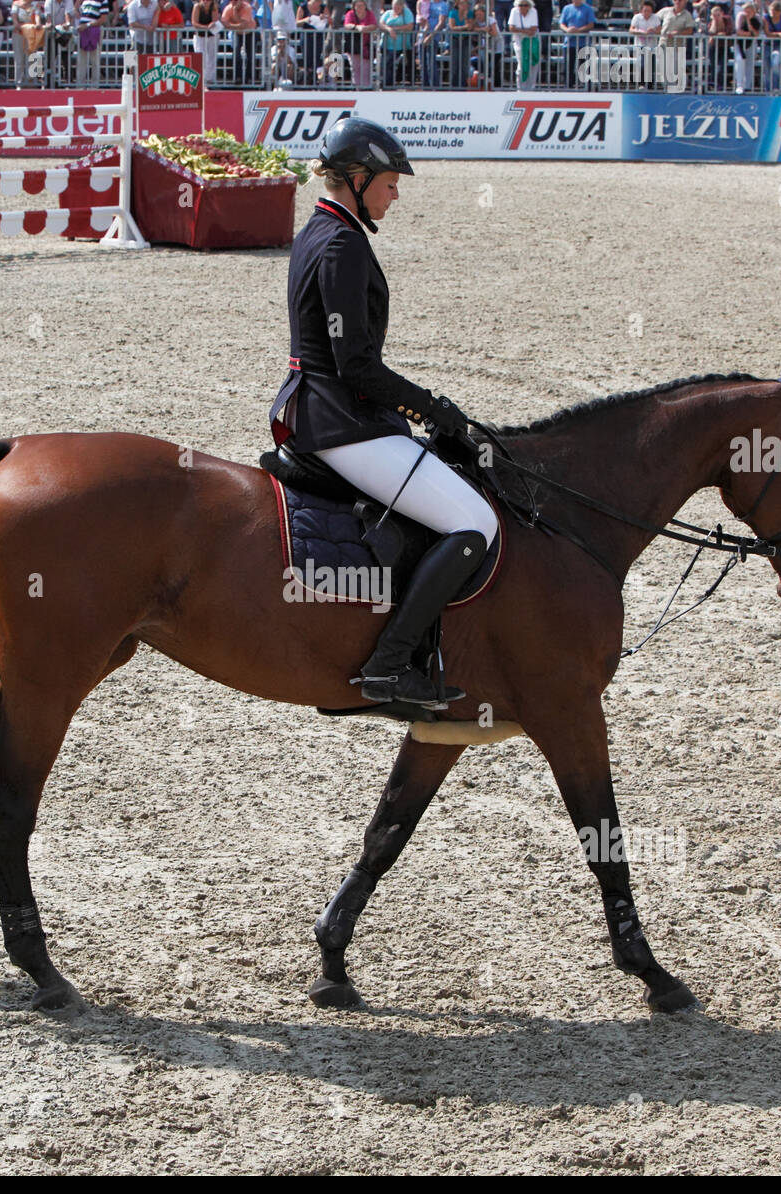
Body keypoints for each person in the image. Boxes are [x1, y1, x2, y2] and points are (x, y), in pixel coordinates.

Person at [268, 119, 498, 708]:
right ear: (357, 177)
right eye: (390, 183)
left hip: (322, 409)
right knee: (475, 523)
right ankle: (391, 666)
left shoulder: (321, 230)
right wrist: (435, 410)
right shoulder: (343, 244)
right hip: (341, 421)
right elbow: (358, 367)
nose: (395, 195)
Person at [558, 0, 594, 88]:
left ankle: (587, 88)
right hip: (569, 43)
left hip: (584, 44)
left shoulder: (588, 9)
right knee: (568, 68)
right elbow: (561, 23)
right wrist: (567, 30)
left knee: (585, 67)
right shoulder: (566, 8)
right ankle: (568, 87)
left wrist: (578, 31)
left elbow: (591, 24)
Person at [379, 0, 414, 85]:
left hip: (399, 45)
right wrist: (389, 29)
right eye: (395, 5)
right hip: (385, 44)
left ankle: (388, 84)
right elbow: (381, 24)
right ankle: (385, 84)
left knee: (388, 64)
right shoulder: (388, 13)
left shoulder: (406, 13)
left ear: (402, 6)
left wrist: (395, 29)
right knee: (384, 65)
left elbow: (410, 26)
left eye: (399, 5)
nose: (396, 7)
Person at [221, 0, 256, 84]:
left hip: (249, 32)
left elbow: (243, 24)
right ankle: (238, 77)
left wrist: (235, 12)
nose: (234, 2)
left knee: (250, 55)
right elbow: (224, 23)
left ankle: (250, 78)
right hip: (237, 33)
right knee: (236, 54)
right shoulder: (228, 8)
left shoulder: (247, 7)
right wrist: (236, 26)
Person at [343, 0, 375, 87]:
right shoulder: (350, 14)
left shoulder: (369, 14)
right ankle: (357, 87)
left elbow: (374, 25)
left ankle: (366, 87)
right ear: (354, 6)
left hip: (366, 45)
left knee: (366, 68)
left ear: (365, 6)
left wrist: (365, 28)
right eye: (358, 6)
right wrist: (356, 27)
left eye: (362, 5)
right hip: (354, 45)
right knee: (355, 67)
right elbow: (347, 25)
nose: (360, 8)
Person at [417, 0, 449, 86]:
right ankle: (425, 86)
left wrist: (430, 37)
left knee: (430, 63)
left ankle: (435, 87)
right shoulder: (428, 2)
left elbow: (441, 23)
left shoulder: (443, 5)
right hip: (422, 35)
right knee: (422, 64)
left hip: (433, 37)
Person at [295, 0, 327, 83]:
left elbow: (329, 21)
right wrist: (305, 20)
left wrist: (325, 17)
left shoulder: (323, 7)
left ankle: (314, 80)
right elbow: (297, 22)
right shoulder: (303, 7)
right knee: (307, 59)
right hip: (306, 36)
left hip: (318, 36)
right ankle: (307, 81)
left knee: (316, 58)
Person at [629, 0, 660, 87]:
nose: (647, 13)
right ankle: (641, 84)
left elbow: (659, 30)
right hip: (640, 45)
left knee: (651, 66)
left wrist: (653, 30)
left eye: (649, 11)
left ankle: (650, 86)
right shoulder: (637, 17)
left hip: (652, 46)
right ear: (641, 10)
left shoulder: (655, 18)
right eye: (645, 10)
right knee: (642, 65)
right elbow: (631, 29)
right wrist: (640, 32)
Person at [509, 0, 539, 89]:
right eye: (520, 5)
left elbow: (533, 30)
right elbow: (511, 28)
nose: (522, 7)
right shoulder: (514, 11)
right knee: (522, 64)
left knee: (534, 63)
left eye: (525, 5)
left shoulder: (534, 11)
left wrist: (520, 30)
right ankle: (520, 88)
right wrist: (526, 31)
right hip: (519, 41)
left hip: (532, 40)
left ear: (529, 6)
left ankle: (531, 87)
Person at [732, 0, 758, 91]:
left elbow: (755, 33)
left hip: (751, 43)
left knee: (750, 63)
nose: (747, 13)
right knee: (739, 61)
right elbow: (738, 31)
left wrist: (748, 22)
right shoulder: (740, 17)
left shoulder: (756, 19)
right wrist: (749, 33)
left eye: (749, 11)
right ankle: (739, 85)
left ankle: (748, 86)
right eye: (746, 10)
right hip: (739, 43)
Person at [77, 0, 104, 83]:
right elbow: (75, 8)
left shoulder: (103, 1)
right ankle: (80, 85)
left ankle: (95, 86)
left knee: (95, 60)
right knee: (81, 60)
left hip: (95, 31)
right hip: (82, 32)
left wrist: (87, 25)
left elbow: (103, 19)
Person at [706, 0, 729, 90]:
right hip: (713, 46)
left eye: (718, 14)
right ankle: (713, 85)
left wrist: (716, 35)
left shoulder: (728, 20)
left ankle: (721, 85)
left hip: (724, 46)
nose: (717, 16)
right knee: (713, 66)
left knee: (721, 67)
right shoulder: (711, 23)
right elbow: (711, 32)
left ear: (722, 13)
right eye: (714, 15)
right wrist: (715, 21)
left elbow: (728, 32)